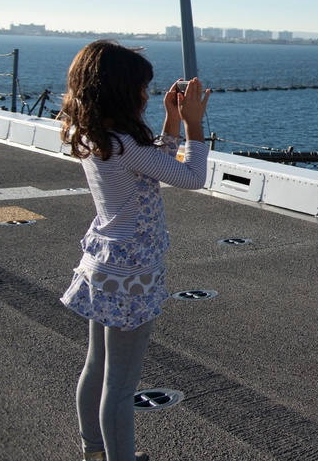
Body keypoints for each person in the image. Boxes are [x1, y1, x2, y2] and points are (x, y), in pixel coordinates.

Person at [59, 40, 210, 461]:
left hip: (104, 264)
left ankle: (93, 450)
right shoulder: (124, 144)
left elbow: (153, 162)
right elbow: (191, 176)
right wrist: (196, 126)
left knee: (97, 367)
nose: (147, 93)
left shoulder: (97, 136)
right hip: (132, 275)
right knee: (122, 386)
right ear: (123, 91)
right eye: (142, 87)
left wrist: (171, 119)